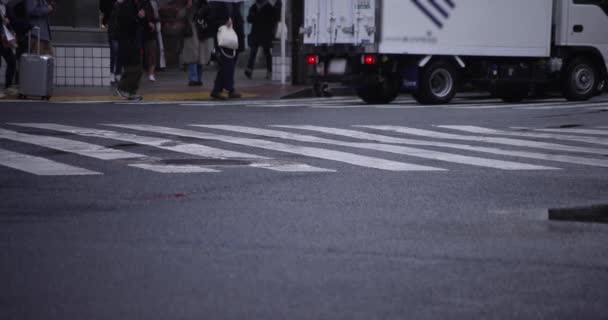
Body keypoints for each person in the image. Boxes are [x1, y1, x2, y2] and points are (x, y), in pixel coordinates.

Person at [207, 1, 244, 100]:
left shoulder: (233, 3)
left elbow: (237, 18)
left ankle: (218, 89)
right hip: (223, 36)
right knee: (227, 63)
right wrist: (223, 23)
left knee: (228, 64)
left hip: (233, 37)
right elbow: (211, 19)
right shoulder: (217, 3)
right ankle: (228, 89)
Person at [114, 0, 146, 100]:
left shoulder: (135, 5)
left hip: (133, 40)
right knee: (133, 67)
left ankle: (131, 91)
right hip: (127, 41)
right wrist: (138, 17)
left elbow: (140, 23)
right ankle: (123, 88)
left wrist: (141, 18)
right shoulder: (126, 5)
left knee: (137, 68)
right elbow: (126, 22)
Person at [180, 0, 213, 87]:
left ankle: (198, 78)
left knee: (201, 55)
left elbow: (209, 14)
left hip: (202, 30)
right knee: (192, 54)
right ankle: (193, 79)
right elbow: (181, 15)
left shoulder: (205, 4)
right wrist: (187, 7)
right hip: (191, 30)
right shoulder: (188, 4)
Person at [245, 0, 280, 80]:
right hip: (256, 33)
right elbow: (249, 19)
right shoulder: (254, 7)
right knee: (253, 51)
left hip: (266, 33)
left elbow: (274, 20)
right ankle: (249, 69)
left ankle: (269, 71)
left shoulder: (270, 8)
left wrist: (272, 31)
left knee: (267, 52)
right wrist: (253, 15)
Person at [99, 0, 121, 85]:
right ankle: (114, 73)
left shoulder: (121, 7)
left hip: (118, 33)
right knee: (115, 52)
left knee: (117, 53)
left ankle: (115, 73)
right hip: (114, 33)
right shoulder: (112, 7)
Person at [0, 0, 16, 97]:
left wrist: (11, 30)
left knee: (11, 61)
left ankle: (8, 87)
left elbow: (10, 21)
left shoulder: (5, 7)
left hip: (4, 38)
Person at [140, 0, 158, 82]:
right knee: (143, 54)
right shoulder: (136, 4)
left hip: (151, 32)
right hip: (141, 32)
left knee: (151, 54)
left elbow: (156, 16)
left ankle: (151, 73)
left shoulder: (151, 3)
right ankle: (142, 72)